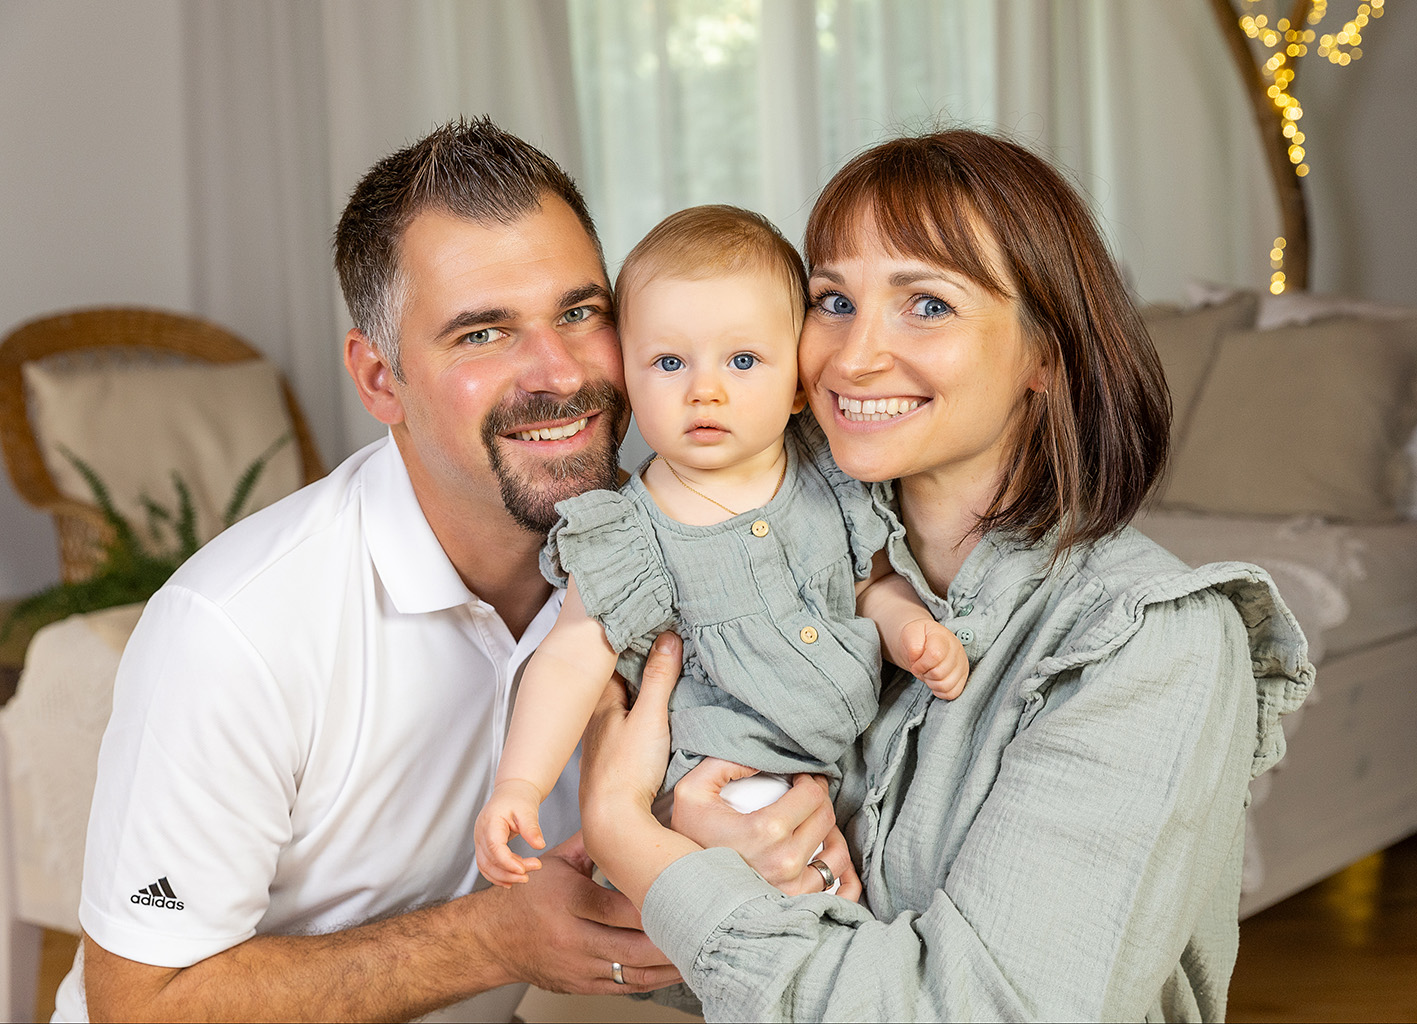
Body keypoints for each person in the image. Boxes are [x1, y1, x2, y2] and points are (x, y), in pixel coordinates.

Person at [576, 129, 1314, 1021]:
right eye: (831, 300)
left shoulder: (1153, 644)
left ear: (1045, 353)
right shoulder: (753, 578)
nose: (852, 357)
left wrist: (635, 842)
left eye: (926, 304)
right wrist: (700, 847)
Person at [56, 117, 733, 1023]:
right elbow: (137, 1005)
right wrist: (492, 938)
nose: (559, 372)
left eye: (579, 313)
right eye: (483, 334)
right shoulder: (234, 630)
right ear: (380, 379)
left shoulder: (688, 551)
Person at [473, 205, 968, 888]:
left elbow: (868, 583)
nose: (703, 389)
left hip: (847, 750)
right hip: (726, 770)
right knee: (790, 885)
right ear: (628, 380)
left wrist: (906, 626)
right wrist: (519, 785)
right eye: (669, 361)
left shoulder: (825, 471)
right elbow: (568, 658)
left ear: (797, 383)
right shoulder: (628, 534)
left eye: (741, 360)